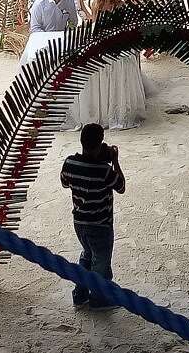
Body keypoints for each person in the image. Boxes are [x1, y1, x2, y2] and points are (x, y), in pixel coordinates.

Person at [63, 0, 147, 130]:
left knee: (122, 59)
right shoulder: (96, 3)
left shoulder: (120, 4)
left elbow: (124, 26)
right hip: (101, 37)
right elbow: (95, 24)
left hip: (116, 37)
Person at [60, 123, 125, 310]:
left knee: (87, 255)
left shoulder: (70, 163)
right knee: (101, 262)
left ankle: (80, 294)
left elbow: (65, 183)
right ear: (100, 144)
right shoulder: (104, 170)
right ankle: (99, 298)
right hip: (101, 224)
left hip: (79, 222)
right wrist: (115, 162)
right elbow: (121, 187)